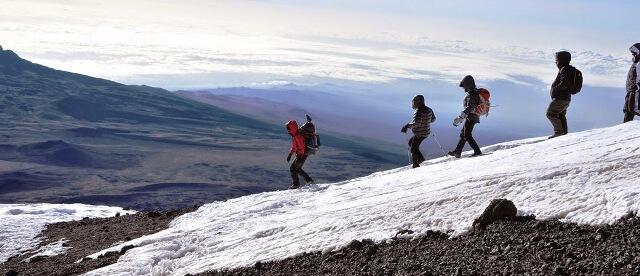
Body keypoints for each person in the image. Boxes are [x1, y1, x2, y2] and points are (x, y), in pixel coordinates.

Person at [448, 75, 482, 158]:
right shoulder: (473, 93)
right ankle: (457, 151)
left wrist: (460, 117)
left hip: (472, 117)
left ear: (468, 85)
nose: (464, 89)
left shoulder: (473, 94)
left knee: (467, 135)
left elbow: (470, 107)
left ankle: (477, 151)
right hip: (472, 116)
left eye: (464, 87)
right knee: (463, 134)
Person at [547, 51, 577, 138]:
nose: (555, 61)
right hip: (565, 99)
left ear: (561, 60)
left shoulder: (565, 69)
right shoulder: (566, 69)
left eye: (557, 59)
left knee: (550, 113)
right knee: (560, 114)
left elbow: (564, 83)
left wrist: (555, 89)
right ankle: (563, 134)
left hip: (560, 99)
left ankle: (559, 132)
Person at [401, 95, 436, 168]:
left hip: (420, 133)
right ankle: (420, 159)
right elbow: (433, 119)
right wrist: (426, 121)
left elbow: (416, 124)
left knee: (413, 148)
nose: (413, 104)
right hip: (426, 131)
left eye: (414, 102)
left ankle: (416, 165)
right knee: (411, 143)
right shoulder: (429, 109)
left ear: (418, 102)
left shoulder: (419, 111)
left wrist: (406, 126)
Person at [286, 120, 313, 189]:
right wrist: (290, 154)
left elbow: (301, 147)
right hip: (302, 154)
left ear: (292, 128)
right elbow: (294, 147)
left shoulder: (298, 136)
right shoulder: (295, 136)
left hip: (302, 155)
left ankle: (296, 184)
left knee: (293, 168)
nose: (288, 130)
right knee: (298, 169)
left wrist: (299, 156)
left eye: (288, 128)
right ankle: (309, 180)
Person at [624, 43, 640, 123]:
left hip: (635, 91)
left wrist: (636, 87)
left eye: (634, 53)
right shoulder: (636, 63)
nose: (633, 56)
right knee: (628, 110)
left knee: (633, 109)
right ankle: (624, 129)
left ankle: (628, 129)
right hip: (631, 91)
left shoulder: (639, 64)